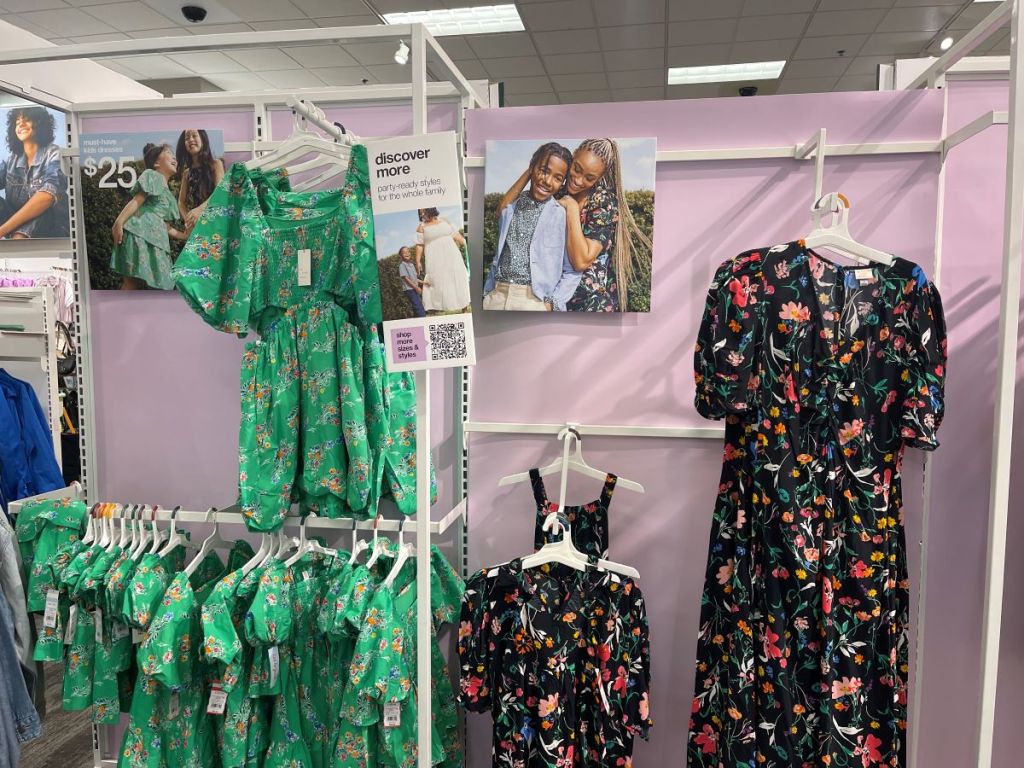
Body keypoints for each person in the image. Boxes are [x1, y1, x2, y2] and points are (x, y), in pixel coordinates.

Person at [483, 142, 581, 311]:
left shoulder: (560, 216)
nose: (548, 181)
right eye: (543, 170)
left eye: (558, 178)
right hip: (496, 297)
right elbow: (500, 211)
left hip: (534, 302)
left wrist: (552, 304)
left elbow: (572, 271)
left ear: (563, 182)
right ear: (532, 168)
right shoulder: (511, 207)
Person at [110, 143, 186, 290]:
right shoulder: (152, 175)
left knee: (162, 285)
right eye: (168, 153)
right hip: (138, 233)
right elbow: (136, 201)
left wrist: (185, 236)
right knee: (131, 283)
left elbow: (166, 227)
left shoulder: (169, 196)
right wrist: (118, 223)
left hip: (158, 242)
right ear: (156, 163)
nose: (174, 156)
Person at [0, 106, 69, 239]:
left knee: (45, 207)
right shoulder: (12, 161)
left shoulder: (55, 154)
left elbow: (47, 197)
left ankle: (19, 237)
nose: (21, 124)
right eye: (17, 122)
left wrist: (2, 230)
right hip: (16, 225)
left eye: (27, 119)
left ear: (39, 123)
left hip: (50, 226)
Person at [416, 207, 470, 313]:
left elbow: (455, 234)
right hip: (434, 258)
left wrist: (467, 244)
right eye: (420, 212)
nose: (422, 214)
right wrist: (417, 261)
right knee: (437, 281)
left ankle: (464, 306)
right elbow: (419, 245)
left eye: (424, 211)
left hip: (452, 254)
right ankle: (436, 308)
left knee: (457, 276)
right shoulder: (421, 227)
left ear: (431, 210)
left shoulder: (444, 220)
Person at [175, 128, 224, 235]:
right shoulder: (186, 173)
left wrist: (200, 210)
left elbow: (220, 192)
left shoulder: (215, 164)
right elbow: (181, 202)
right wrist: (188, 221)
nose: (191, 139)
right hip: (197, 225)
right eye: (187, 138)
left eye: (194, 135)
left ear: (203, 138)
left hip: (216, 221)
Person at [398, 245, 427, 318]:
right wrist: (417, 288)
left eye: (408, 251)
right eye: (404, 252)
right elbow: (406, 279)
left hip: (414, 288)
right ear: (401, 255)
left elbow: (415, 278)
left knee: (417, 305)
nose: (407, 253)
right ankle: (423, 319)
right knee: (418, 306)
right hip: (409, 289)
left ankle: (416, 320)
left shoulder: (411, 265)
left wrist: (424, 282)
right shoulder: (402, 265)